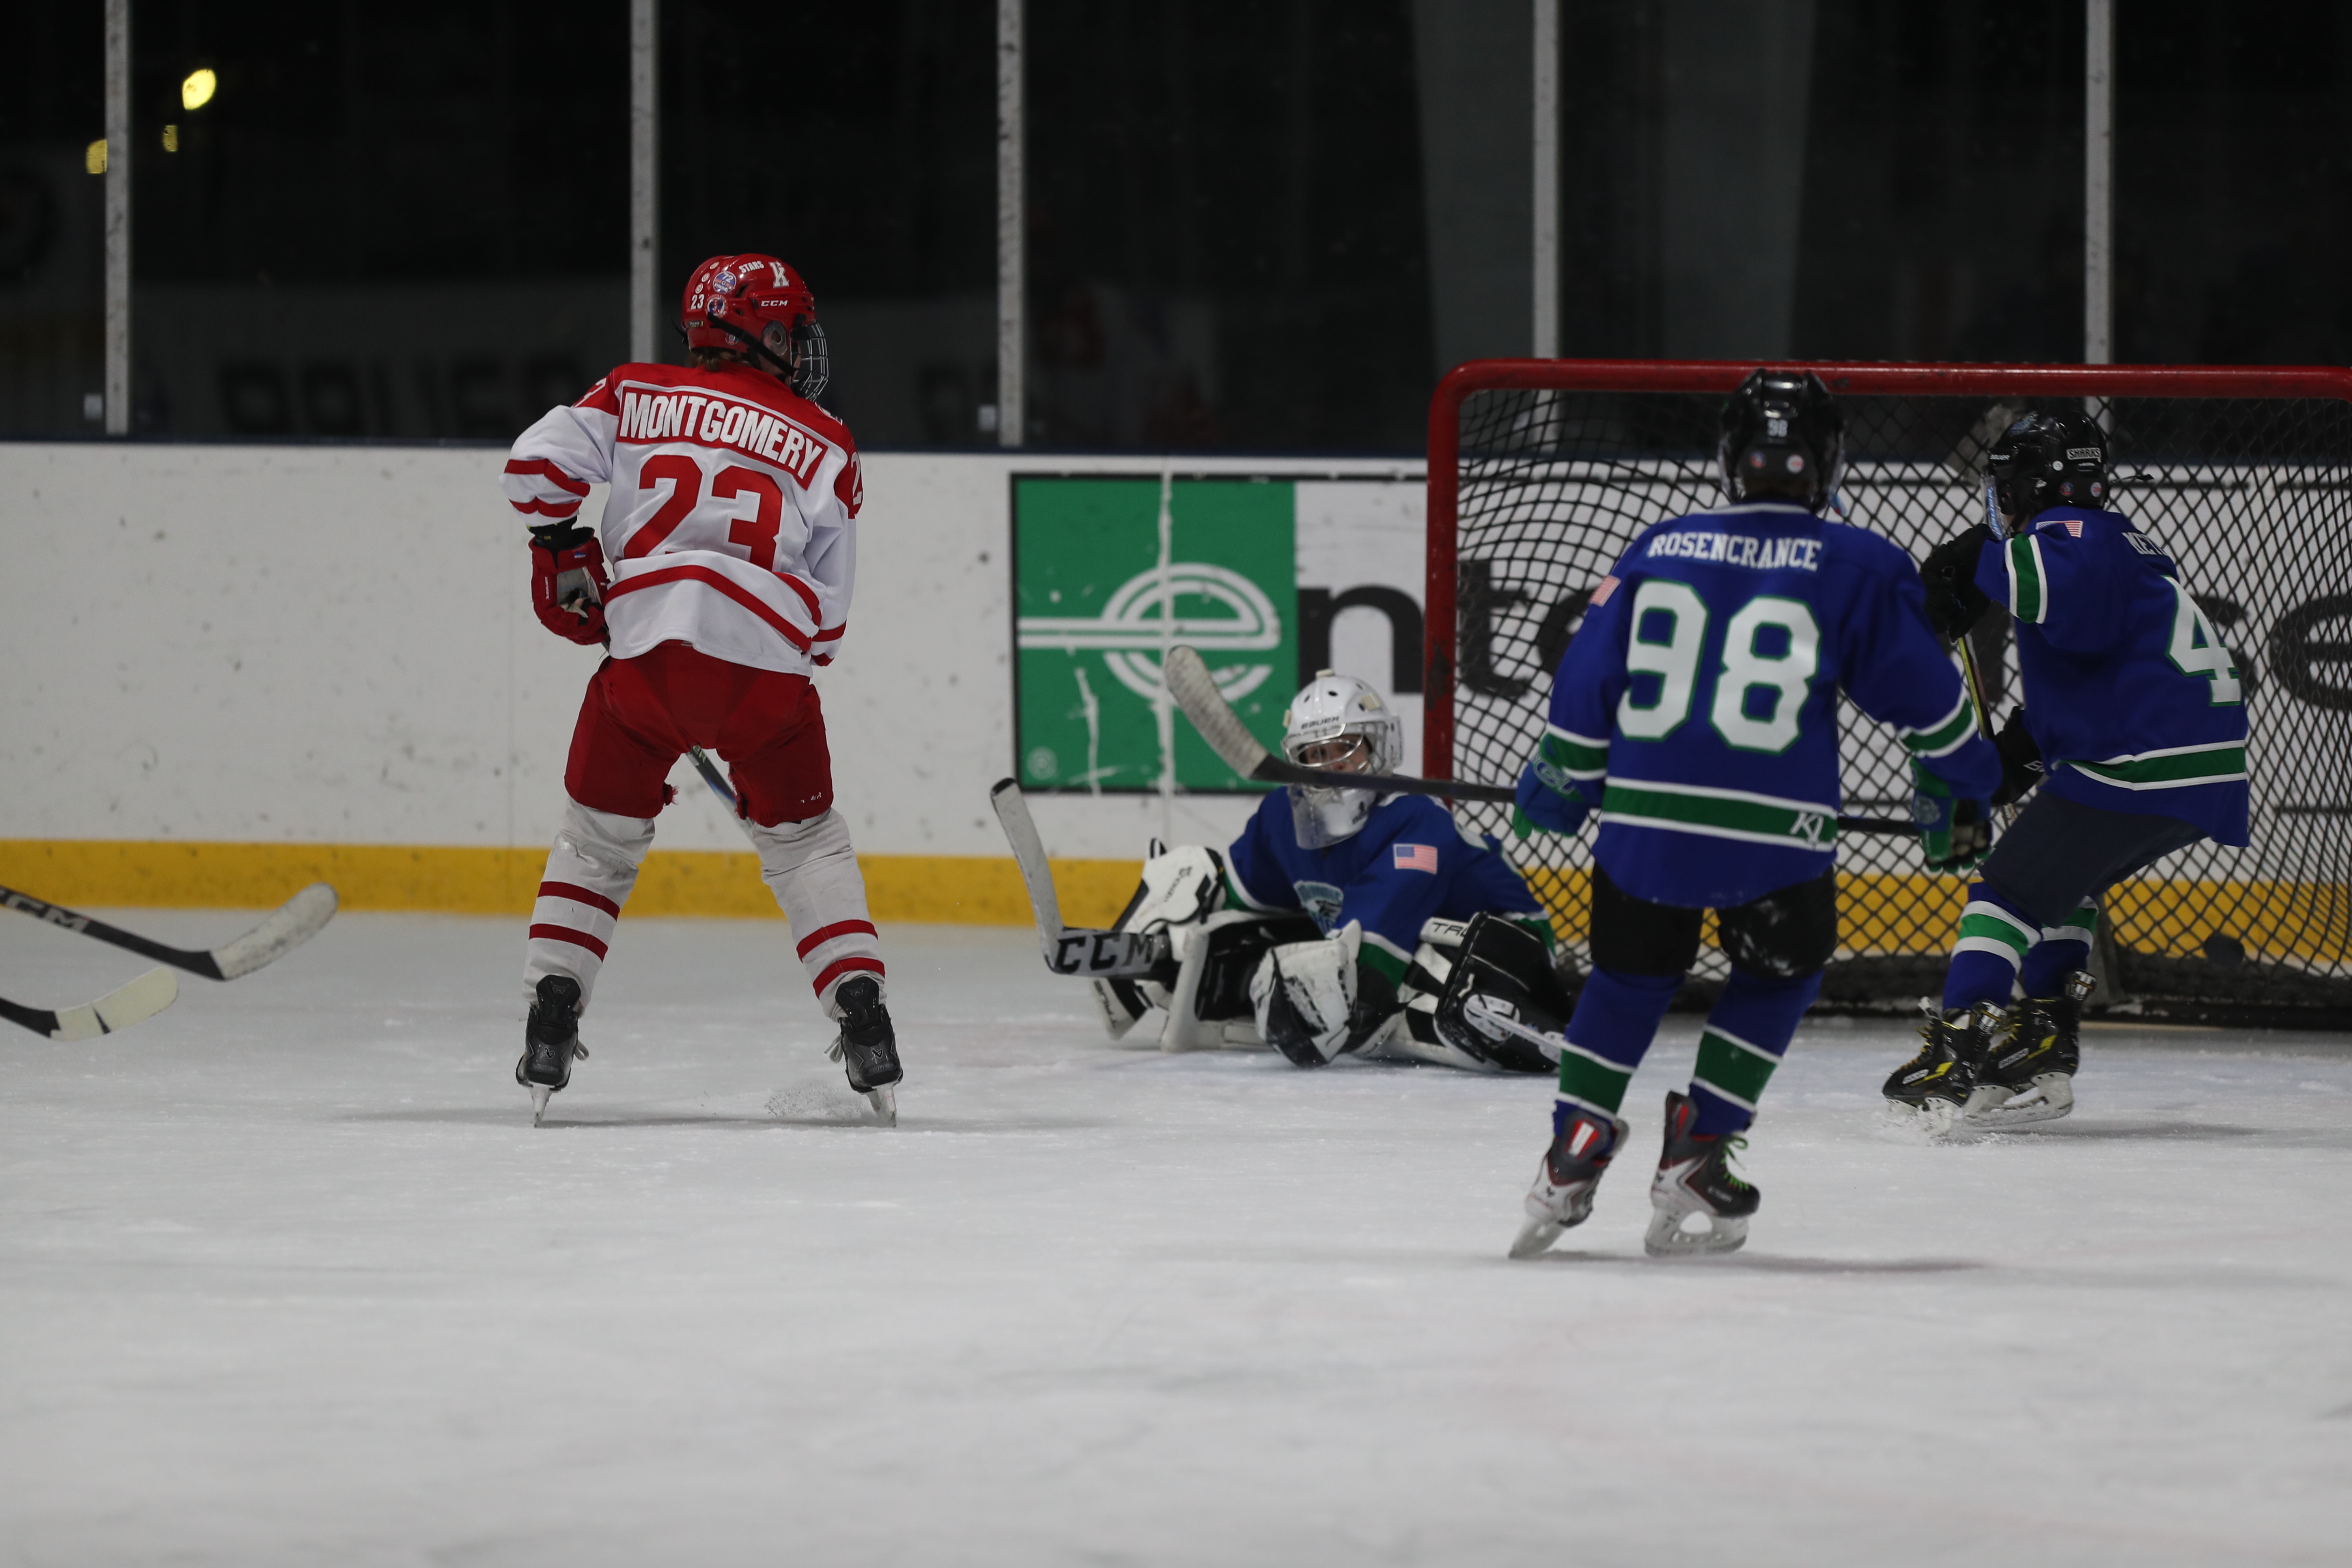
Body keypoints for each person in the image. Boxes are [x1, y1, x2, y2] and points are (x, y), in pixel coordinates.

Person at [1509, 369, 2001, 1258]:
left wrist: (1566, 769)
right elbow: (1930, 707)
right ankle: (1698, 1147)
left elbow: (1587, 675)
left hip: (1645, 825)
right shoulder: (1858, 562)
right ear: (1829, 461)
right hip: (1772, 835)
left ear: (1729, 459)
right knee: (1776, 976)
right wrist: (1959, 787)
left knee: (1626, 980)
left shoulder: (1657, 546)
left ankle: (1572, 1147)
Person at [498, 254, 901, 1125]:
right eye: (792, 330)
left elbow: (532, 468)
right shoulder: (828, 442)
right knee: (805, 846)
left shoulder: (633, 393)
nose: (802, 346)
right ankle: (862, 1011)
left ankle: (552, 1010)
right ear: (763, 332)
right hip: (766, 678)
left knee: (597, 843)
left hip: (643, 664)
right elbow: (828, 627)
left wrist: (560, 544)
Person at [1884, 410, 2250, 1127]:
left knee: (2005, 893)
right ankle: (2043, 1035)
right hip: (2195, 769)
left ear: (2023, 486)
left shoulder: (2068, 536)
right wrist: (2018, 754)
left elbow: (2038, 584)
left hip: (2143, 761)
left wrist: (1970, 563)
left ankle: (1956, 1048)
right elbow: (2099, 664)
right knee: (2059, 884)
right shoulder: (2116, 545)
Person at [1090, 671, 1569, 1073]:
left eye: (1345, 749)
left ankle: (1495, 1014)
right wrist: (1173, 949)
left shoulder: (1417, 819)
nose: (1331, 767)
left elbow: (1370, 969)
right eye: (1314, 755)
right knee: (1192, 876)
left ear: (1381, 746)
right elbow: (1237, 901)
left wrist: (1338, 1006)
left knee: (1416, 981)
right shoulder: (1281, 818)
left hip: (1505, 945)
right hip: (1396, 939)